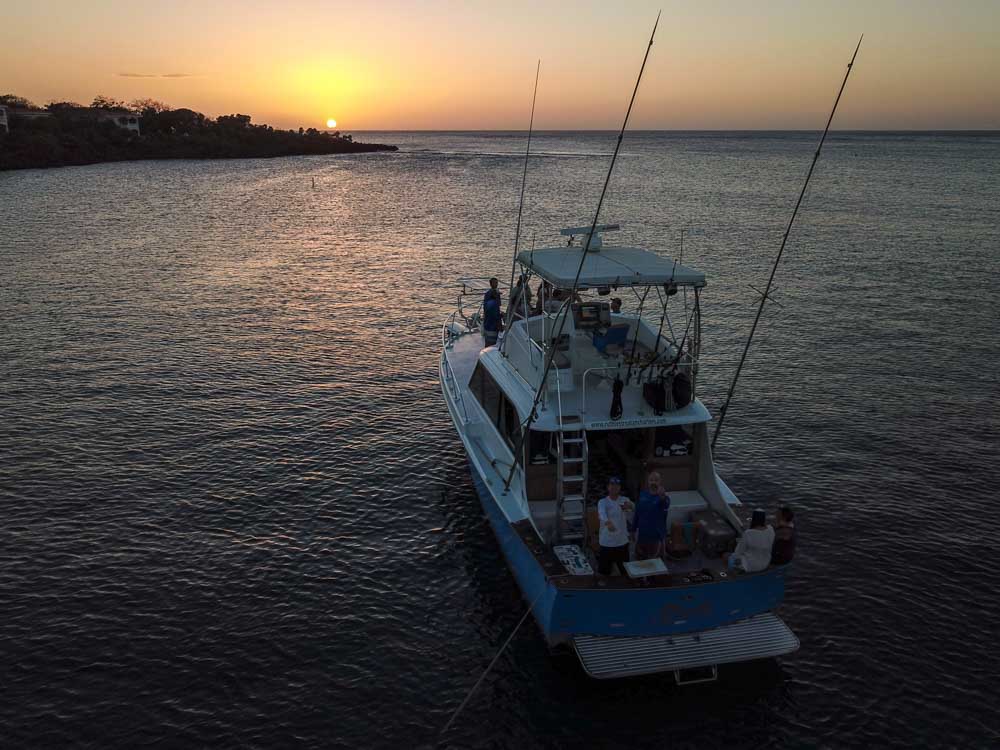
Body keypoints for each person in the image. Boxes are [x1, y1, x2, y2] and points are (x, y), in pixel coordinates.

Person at [597, 476, 633, 575]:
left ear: (620, 487)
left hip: (622, 542)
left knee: (625, 572)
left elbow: (631, 514)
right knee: (604, 572)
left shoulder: (625, 499)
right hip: (606, 543)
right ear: (608, 487)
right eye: (612, 485)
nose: (614, 487)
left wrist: (631, 506)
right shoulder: (602, 502)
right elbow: (601, 514)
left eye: (617, 485)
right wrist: (608, 522)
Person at [633, 471, 670, 560]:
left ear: (660, 482)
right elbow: (637, 512)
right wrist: (632, 530)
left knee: (655, 564)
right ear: (648, 481)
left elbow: (666, 505)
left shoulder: (664, 497)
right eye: (651, 480)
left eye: (656, 480)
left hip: (656, 538)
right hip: (642, 536)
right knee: (639, 560)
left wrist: (663, 497)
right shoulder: (642, 494)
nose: (653, 482)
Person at [482, 277, 502, 346]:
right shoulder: (489, 296)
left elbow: (499, 305)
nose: (496, 284)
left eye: (497, 282)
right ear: (491, 284)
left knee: (488, 341)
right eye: (495, 282)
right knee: (491, 342)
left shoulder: (495, 295)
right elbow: (495, 314)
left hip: (488, 323)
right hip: (491, 324)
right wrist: (499, 325)